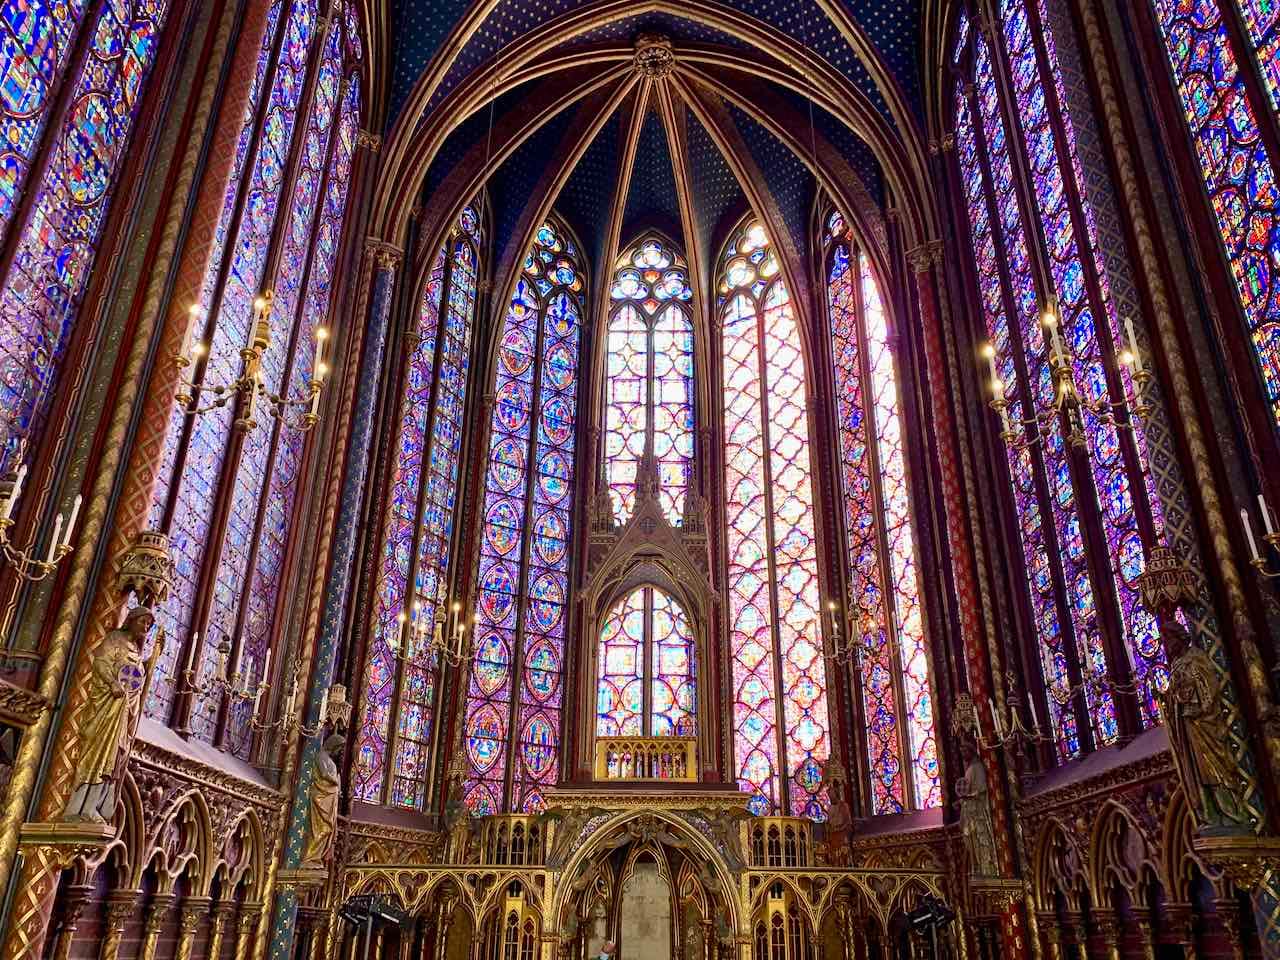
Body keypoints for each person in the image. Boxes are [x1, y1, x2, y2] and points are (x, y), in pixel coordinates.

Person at [64, 607, 154, 822]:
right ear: (130, 620)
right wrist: (113, 683)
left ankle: (97, 804)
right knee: (100, 752)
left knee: (115, 758)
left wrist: (151, 662)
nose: (145, 627)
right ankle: (82, 806)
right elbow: (101, 663)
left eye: (149, 625)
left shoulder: (136, 649)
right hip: (107, 708)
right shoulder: (116, 639)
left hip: (124, 712)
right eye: (142, 622)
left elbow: (136, 680)